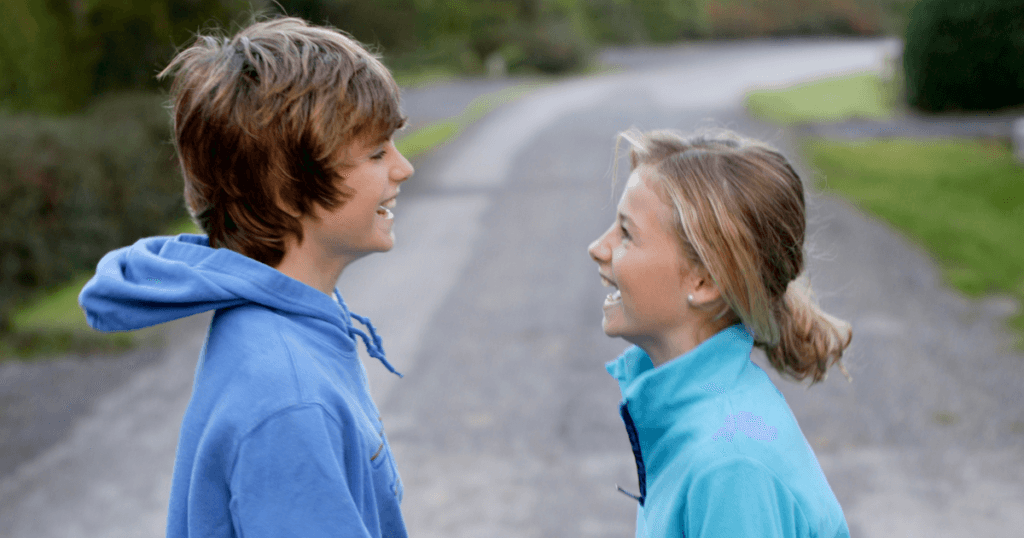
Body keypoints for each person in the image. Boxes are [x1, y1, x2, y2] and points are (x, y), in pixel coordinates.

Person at [78, 17, 414, 537]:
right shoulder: (288, 399)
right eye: (375, 153)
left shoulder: (289, 332)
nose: (403, 168)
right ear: (286, 189)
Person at [588, 128, 853, 538]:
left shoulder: (729, 462)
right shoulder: (698, 415)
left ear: (704, 281)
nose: (598, 247)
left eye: (627, 233)